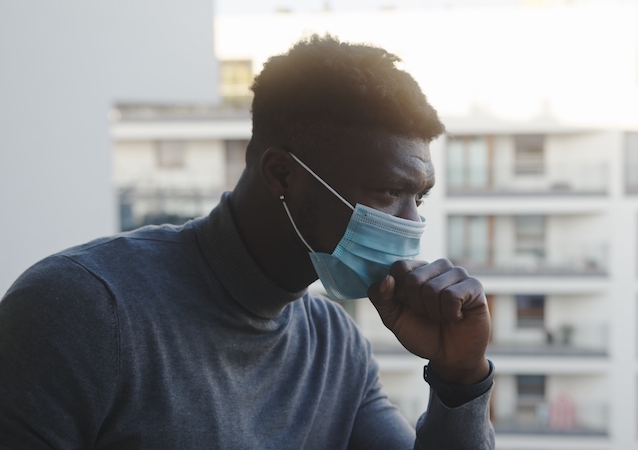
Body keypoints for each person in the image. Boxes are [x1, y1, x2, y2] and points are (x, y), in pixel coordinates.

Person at [0, 34, 494, 449]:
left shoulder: (334, 347)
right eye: (390, 193)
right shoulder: (82, 309)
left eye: (419, 200)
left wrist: (460, 376)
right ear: (282, 174)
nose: (410, 226)